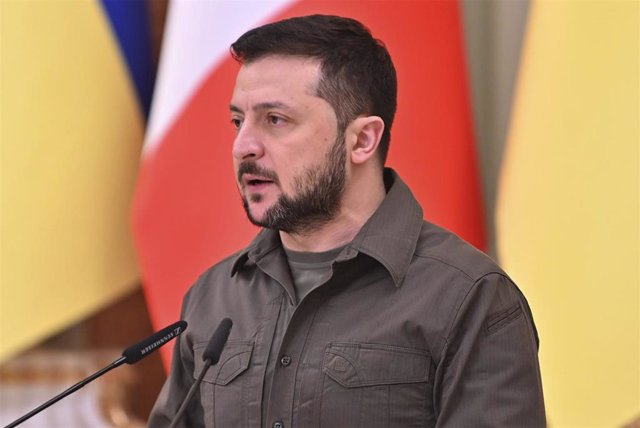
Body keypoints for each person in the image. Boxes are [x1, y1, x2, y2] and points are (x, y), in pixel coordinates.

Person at [149, 14, 546, 427]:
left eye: (275, 120)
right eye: (238, 121)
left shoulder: (468, 297)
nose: (243, 146)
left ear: (361, 140)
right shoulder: (214, 295)